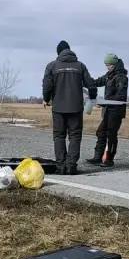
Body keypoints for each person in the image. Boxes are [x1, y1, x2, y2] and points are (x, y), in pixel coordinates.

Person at [42, 40, 96, 175]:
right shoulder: (80, 66)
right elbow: (91, 84)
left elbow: (47, 85)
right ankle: (71, 166)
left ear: (58, 52)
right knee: (75, 136)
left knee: (59, 136)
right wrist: (92, 98)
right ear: (69, 50)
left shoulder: (52, 66)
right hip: (76, 108)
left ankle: (61, 166)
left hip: (58, 108)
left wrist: (46, 99)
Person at [87, 53, 128, 167]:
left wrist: (103, 102)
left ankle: (109, 159)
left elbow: (121, 96)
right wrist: (85, 81)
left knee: (111, 134)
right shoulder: (109, 75)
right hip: (108, 110)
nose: (107, 67)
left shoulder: (121, 77)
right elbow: (98, 82)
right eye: (106, 65)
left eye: (109, 65)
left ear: (114, 64)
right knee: (101, 132)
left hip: (116, 111)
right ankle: (97, 157)